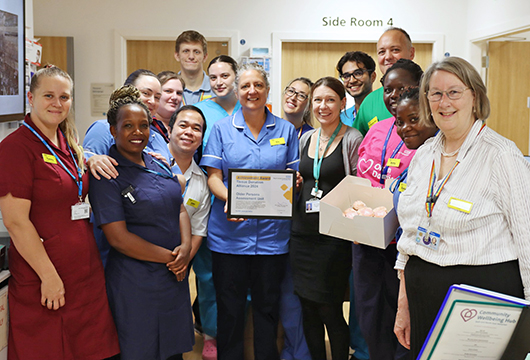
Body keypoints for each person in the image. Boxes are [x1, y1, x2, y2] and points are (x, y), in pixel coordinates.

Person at [394, 56, 530, 358]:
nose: (444, 102)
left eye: (454, 92)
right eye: (435, 93)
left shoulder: (502, 156)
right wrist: (403, 305)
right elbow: (410, 237)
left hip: (482, 301)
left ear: (475, 96)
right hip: (424, 297)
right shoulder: (424, 155)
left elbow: (528, 239)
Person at [0, 66, 119, 359]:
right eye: (48, 95)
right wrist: (49, 276)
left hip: (83, 273)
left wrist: (90, 160)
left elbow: (72, 181)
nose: (57, 103)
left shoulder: (66, 143)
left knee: (90, 350)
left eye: (64, 97)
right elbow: (15, 222)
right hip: (44, 276)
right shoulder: (16, 148)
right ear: (31, 97)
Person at [200, 63, 299, 360]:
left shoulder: (285, 130)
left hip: (272, 239)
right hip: (229, 237)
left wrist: (294, 183)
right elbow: (213, 177)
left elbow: (292, 176)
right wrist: (231, 197)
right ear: (237, 91)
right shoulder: (221, 129)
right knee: (229, 309)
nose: (251, 91)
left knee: (268, 308)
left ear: (267, 90)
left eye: (258, 85)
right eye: (245, 86)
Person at [89, 85, 194, 360]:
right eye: (128, 126)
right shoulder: (107, 174)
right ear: (112, 130)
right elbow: (118, 238)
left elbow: (179, 207)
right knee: (140, 350)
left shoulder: (158, 162)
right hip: (135, 283)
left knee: (172, 351)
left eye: (144, 125)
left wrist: (185, 248)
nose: (137, 132)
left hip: (173, 279)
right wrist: (172, 258)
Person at [352, 59, 423, 360]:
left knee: (405, 324)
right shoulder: (376, 130)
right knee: (372, 318)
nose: (394, 95)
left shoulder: (425, 134)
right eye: (388, 89)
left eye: (403, 88)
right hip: (367, 241)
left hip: (403, 246)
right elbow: (360, 181)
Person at [291, 76, 363, 360]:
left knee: (329, 307)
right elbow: (303, 179)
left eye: (330, 100)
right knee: (307, 306)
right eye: (318, 100)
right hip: (301, 234)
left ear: (342, 103)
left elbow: (360, 187)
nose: (323, 106)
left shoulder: (352, 138)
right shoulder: (307, 137)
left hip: (333, 238)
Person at [83, 69, 173, 266]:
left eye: (158, 96)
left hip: (157, 231)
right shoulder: (102, 129)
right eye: (146, 93)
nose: (152, 101)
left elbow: (179, 180)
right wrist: (90, 159)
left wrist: (164, 173)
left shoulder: (157, 137)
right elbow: (85, 165)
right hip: (117, 231)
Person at [167, 105, 215, 360]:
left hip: (179, 260)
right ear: (170, 130)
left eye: (196, 128)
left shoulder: (202, 181)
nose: (189, 132)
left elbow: (199, 229)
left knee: (175, 321)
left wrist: (184, 260)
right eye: (183, 125)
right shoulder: (149, 163)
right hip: (143, 257)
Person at [279, 77, 313, 360]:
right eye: (291, 91)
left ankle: (297, 352)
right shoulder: (269, 128)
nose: (293, 97)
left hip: (300, 225)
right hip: (268, 226)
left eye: (301, 95)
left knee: (293, 296)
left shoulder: (314, 136)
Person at [354, 28, 416, 136]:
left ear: (411, 53)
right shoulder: (369, 102)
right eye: (382, 52)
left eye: (395, 50)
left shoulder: (429, 95)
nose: (387, 57)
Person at [195, 55, 241, 149]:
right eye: (213, 78)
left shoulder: (249, 108)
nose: (219, 82)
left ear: (237, 76)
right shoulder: (198, 111)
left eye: (225, 76)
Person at [337, 51, 377, 128]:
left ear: (372, 76)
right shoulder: (341, 119)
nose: (352, 80)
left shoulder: (384, 111)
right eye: (346, 76)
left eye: (358, 73)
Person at [174, 30, 215, 105]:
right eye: (186, 51)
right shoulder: (168, 90)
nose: (191, 57)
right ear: (177, 56)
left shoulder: (216, 88)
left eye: (196, 52)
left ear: (205, 57)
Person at [154, 70, 185, 141]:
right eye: (168, 91)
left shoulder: (185, 127)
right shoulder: (146, 124)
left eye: (179, 93)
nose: (174, 97)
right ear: (156, 94)